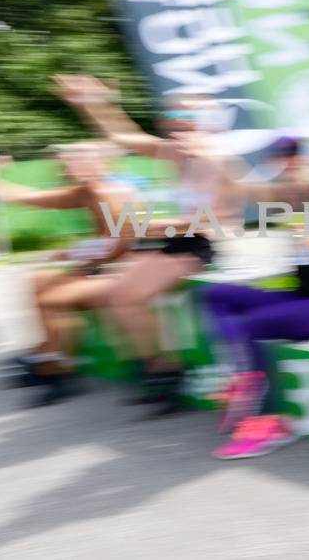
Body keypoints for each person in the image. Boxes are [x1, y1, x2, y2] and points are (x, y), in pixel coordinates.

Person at [51, 75, 242, 413]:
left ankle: (165, 370)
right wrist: (92, 102)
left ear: (206, 121)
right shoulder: (177, 153)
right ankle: (153, 365)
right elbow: (123, 137)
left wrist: (150, 226)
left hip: (199, 245)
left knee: (125, 297)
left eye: (187, 116)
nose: (175, 123)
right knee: (112, 296)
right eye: (172, 116)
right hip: (175, 240)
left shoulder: (217, 157)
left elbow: (214, 221)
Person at [201, 136, 309, 459]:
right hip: (299, 297)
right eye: (281, 158)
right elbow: (239, 185)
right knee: (215, 293)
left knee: (248, 326)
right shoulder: (283, 195)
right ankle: (243, 379)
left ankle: (270, 420)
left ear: (306, 160)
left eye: (295, 156)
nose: (289, 163)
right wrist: (214, 153)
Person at [0, 142, 139, 406]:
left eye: (77, 159)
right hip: (109, 265)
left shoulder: (105, 190)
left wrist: (82, 259)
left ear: (101, 163)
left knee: (49, 297)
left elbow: (124, 239)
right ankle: (49, 358)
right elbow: (39, 199)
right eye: (68, 159)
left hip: (126, 270)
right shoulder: (88, 189)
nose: (66, 164)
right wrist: (76, 252)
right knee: (38, 281)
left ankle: (54, 369)